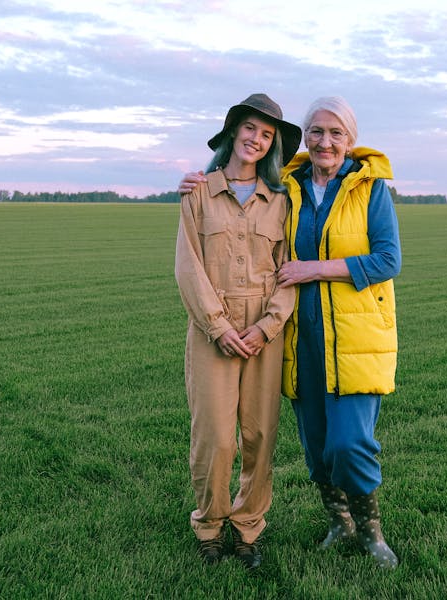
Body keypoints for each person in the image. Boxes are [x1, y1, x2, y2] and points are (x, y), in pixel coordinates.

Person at [181, 96, 402, 569]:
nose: (325, 141)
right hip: (295, 336)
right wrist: (195, 178)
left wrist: (303, 282)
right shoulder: (289, 187)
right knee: (296, 444)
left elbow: (386, 261)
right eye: (316, 132)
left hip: (342, 333)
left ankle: (364, 530)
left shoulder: (362, 190)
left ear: (350, 139)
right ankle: (325, 522)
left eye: (336, 133)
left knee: (336, 442)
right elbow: (203, 263)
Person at [174, 93, 301, 569]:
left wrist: (268, 327)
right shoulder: (198, 193)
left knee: (259, 434)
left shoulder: (282, 202)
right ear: (233, 132)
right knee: (215, 437)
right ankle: (209, 525)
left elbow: (289, 270)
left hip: (265, 333)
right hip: (214, 332)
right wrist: (218, 326)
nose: (257, 139)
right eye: (250, 128)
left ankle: (249, 529)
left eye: (267, 135)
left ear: (273, 146)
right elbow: (188, 267)